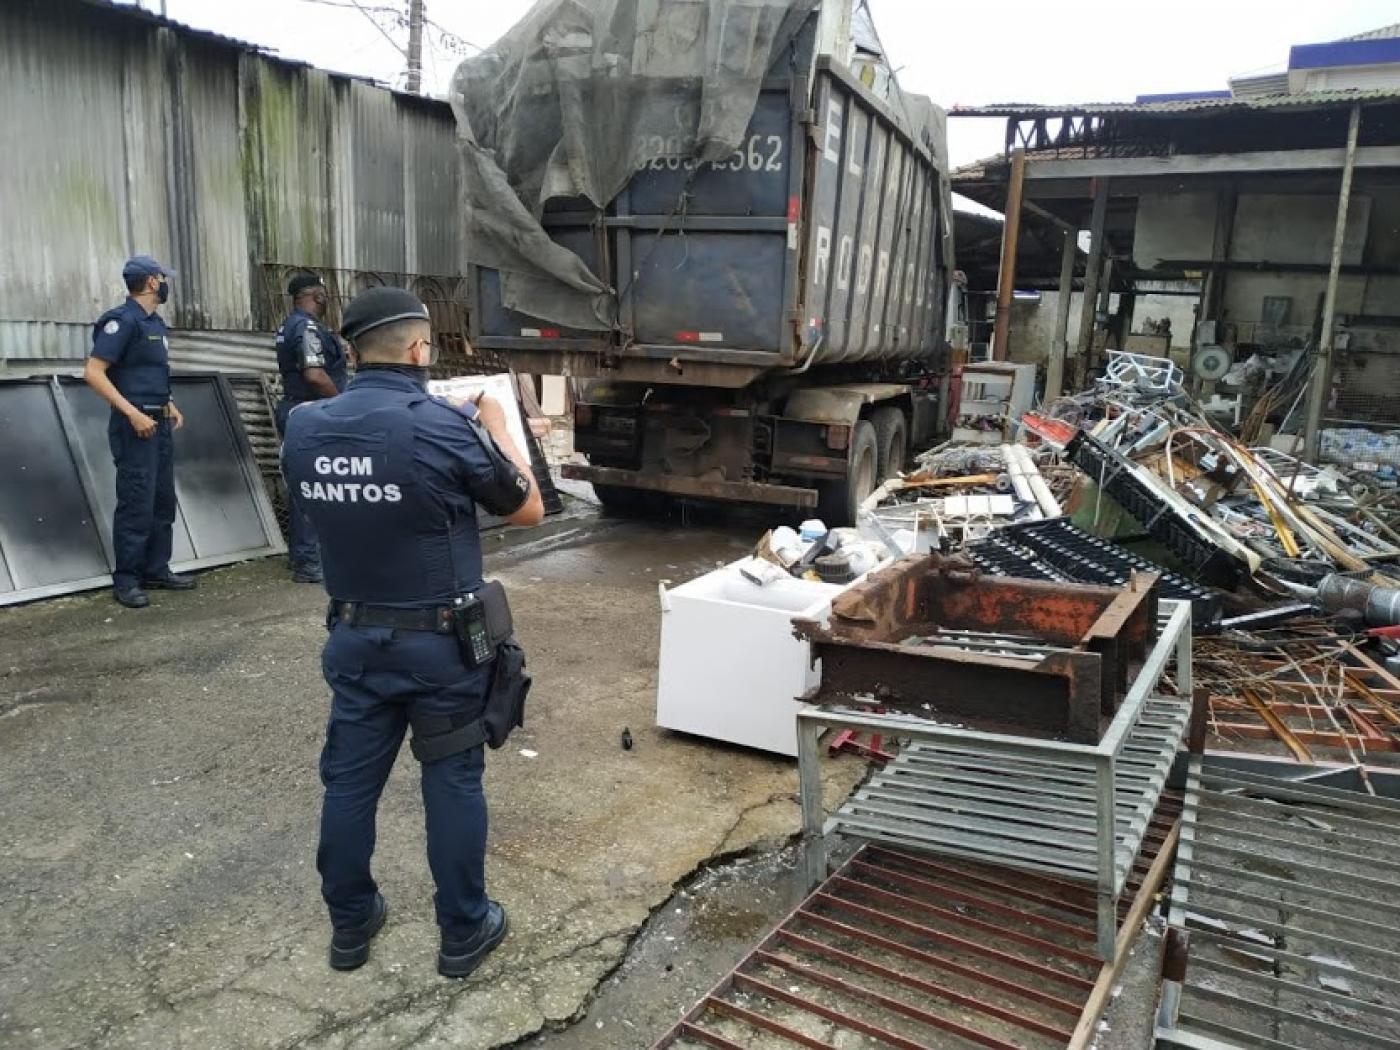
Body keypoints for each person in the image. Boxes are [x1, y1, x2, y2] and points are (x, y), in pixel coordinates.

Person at [281, 287, 544, 977]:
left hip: (354, 638)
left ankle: (350, 924)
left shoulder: (304, 426)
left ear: (349, 350)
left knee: (347, 785)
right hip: (441, 647)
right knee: (453, 781)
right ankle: (462, 931)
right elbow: (528, 508)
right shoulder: (441, 425)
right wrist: (492, 421)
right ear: (421, 349)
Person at [83, 255, 197, 609]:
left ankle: (156, 568)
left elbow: (149, 373)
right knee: (136, 502)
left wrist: (170, 403)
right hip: (136, 426)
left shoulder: (155, 323)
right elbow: (94, 372)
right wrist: (132, 413)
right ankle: (128, 579)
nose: (166, 284)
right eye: (163, 278)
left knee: (162, 500)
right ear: (151, 282)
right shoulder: (122, 322)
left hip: (158, 421)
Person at [274, 272, 350, 583]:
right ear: (316, 296)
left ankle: (303, 557)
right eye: (324, 293)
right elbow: (315, 374)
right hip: (310, 410)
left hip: (301, 409)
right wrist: (343, 404)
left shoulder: (292, 324)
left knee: (306, 483)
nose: (326, 299)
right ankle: (307, 560)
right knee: (313, 484)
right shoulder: (306, 327)